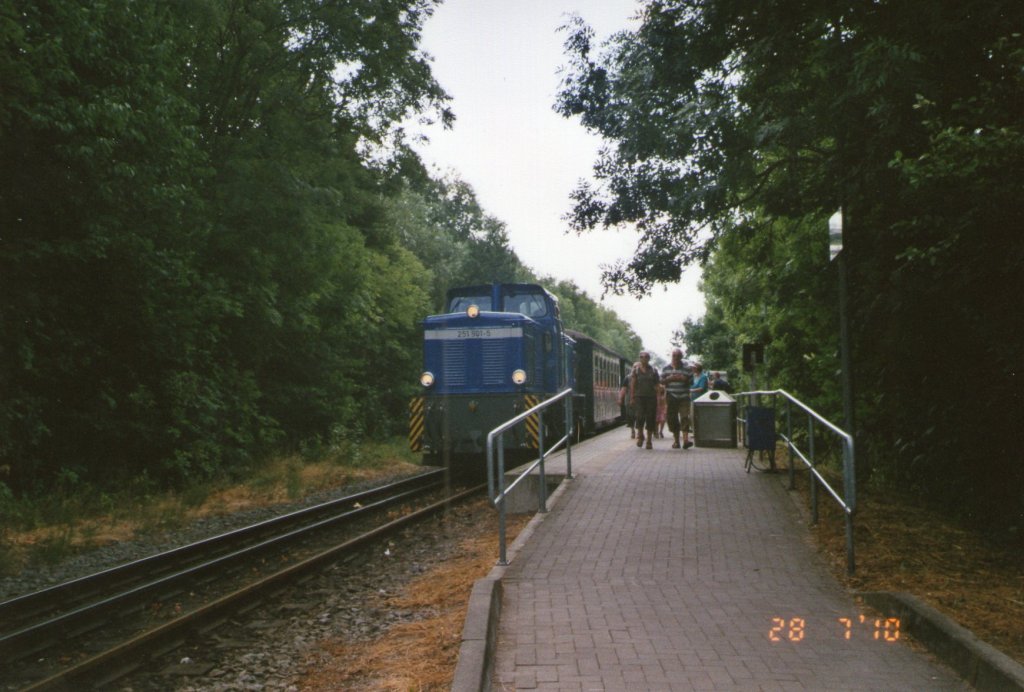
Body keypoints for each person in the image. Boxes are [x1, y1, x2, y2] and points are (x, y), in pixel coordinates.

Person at [661, 349, 693, 449]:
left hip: (684, 396)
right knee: (672, 419)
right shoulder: (666, 368)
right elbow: (661, 381)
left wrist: (685, 379)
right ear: (672, 356)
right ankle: (676, 440)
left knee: (684, 417)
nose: (676, 358)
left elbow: (692, 382)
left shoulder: (687, 369)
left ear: (681, 357)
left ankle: (686, 440)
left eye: (678, 356)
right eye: (674, 356)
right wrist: (669, 379)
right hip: (671, 396)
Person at [629, 351, 659, 450]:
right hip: (639, 397)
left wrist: (659, 397)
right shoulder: (636, 370)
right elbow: (633, 384)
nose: (643, 359)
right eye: (641, 357)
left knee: (650, 418)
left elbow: (657, 385)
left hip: (651, 397)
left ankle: (649, 441)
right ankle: (640, 436)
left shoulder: (654, 370)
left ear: (649, 359)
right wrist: (632, 397)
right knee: (639, 417)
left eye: (646, 357)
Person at [690, 362, 709, 439]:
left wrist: (691, 390)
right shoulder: (693, 377)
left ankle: (701, 432)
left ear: (697, 368)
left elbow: (702, 388)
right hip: (693, 399)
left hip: (701, 399)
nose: (692, 369)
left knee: (700, 416)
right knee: (692, 416)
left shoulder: (703, 377)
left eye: (694, 367)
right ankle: (695, 431)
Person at [618, 366, 637, 439]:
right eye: (634, 367)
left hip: (639, 399)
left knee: (639, 416)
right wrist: (620, 398)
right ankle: (632, 430)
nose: (635, 368)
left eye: (637, 367)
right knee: (630, 415)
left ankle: (639, 431)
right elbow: (623, 389)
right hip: (628, 400)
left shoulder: (642, 377)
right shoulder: (627, 378)